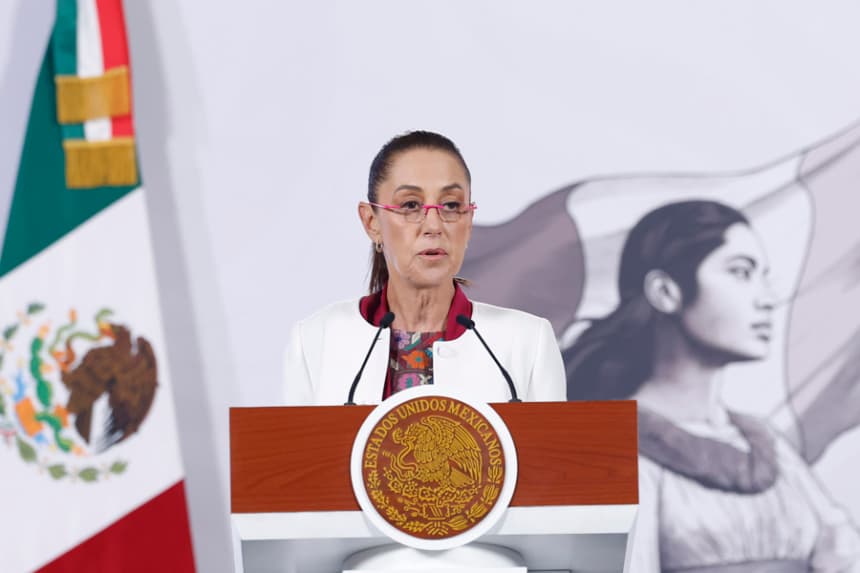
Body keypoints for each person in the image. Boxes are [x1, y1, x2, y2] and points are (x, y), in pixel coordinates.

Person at [565, 200, 860, 572]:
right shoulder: (604, 446)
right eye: (740, 272)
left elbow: (841, 549)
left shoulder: (765, 443)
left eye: (763, 276)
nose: (767, 299)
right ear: (666, 291)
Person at [283, 131, 565, 405]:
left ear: (468, 222)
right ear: (371, 222)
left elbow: (552, 452)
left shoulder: (529, 342)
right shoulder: (316, 339)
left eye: (451, 205)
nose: (434, 225)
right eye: (410, 205)